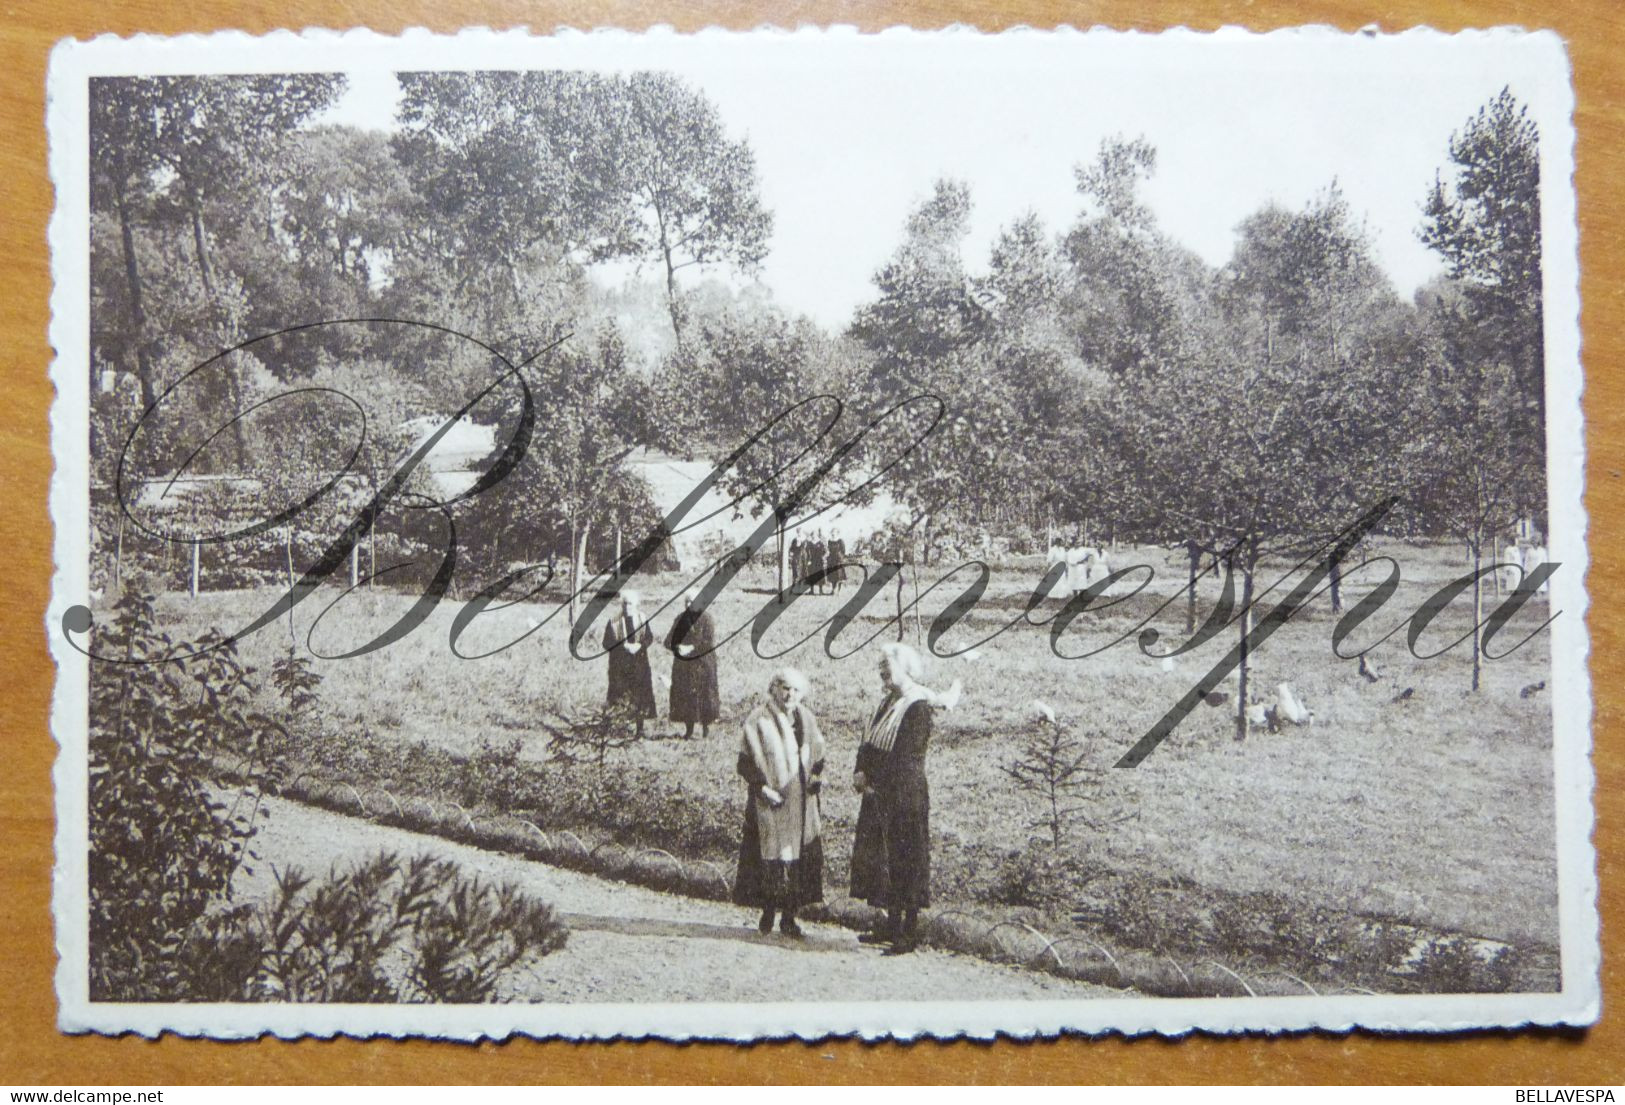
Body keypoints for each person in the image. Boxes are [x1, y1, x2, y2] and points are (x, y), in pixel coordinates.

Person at [850, 642, 958, 954]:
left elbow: (908, 755)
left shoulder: (918, 706)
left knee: (906, 859)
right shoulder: (886, 702)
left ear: (906, 667)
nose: (882, 671)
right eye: (879, 666)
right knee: (882, 860)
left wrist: (874, 780)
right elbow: (868, 741)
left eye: (887, 665)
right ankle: (890, 922)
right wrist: (860, 770)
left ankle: (908, 932)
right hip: (878, 793)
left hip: (904, 794)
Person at [734, 668, 826, 937]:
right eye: (785, 688)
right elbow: (744, 762)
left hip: (801, 802)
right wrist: (762, 788)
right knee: (770, 856)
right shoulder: (758, 720)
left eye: (796, 690)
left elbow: (818, 755)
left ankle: (789, 917)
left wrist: (816, 777)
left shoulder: (807, 719)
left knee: (799, 858)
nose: (790, 695)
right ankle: (767, 911)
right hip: (770, 801)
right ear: (774, 688)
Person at [664, 589, 720, 739]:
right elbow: (668, 640)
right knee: (687, 697)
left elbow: (709, 642)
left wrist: (692, 648)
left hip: (703, 664)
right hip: (685, 665)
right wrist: (677, 647)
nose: (689, 605)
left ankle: (705, 728)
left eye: (692, 602)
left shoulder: (707, 619)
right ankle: (689, 730)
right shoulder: (679, 619)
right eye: (687, 602)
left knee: (705, 695)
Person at [602, 590, 656, 737]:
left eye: (630, 604)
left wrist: (639, 646)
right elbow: (606, 643)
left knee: (640, 696)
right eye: (625, 604)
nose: (627, 607)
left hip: (639, 664)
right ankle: (620, 728)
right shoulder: (614, 621)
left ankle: (640, 729)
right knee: (620, 694)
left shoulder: (642, 619)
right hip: (620, 665)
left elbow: (649, 637)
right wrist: (622, 647)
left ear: (636, 605)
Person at [806, 528, 828, 594]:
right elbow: (807, 552)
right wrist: (808, 560)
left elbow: (825, 551)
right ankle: (811, 590)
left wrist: (823, 557)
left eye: (815, 535)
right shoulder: (809, 543)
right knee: (812, 575)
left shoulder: (820, 543)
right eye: (812, 535)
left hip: (819, 561)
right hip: (812, 561)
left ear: (817, 535)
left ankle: (821, 590)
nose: (813, 536)